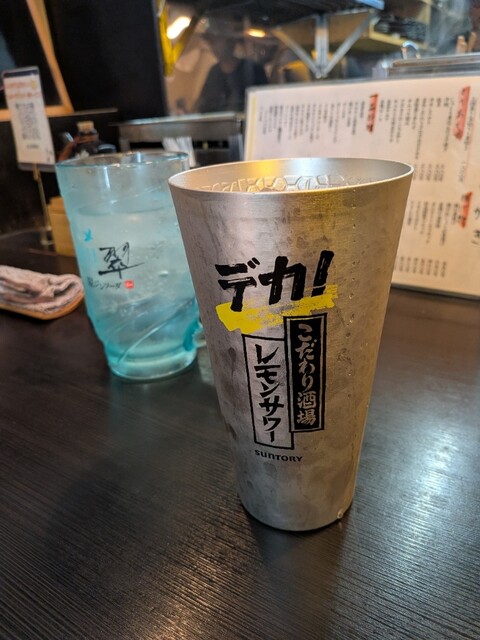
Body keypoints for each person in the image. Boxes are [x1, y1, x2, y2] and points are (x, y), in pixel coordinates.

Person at [195, 29, 268, 113]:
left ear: (231, 42)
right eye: (212, 42)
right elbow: (204, 106)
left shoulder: (254, 70)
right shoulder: (214, 72)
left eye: (218, 41)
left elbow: (265, 104)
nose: (215, 47)